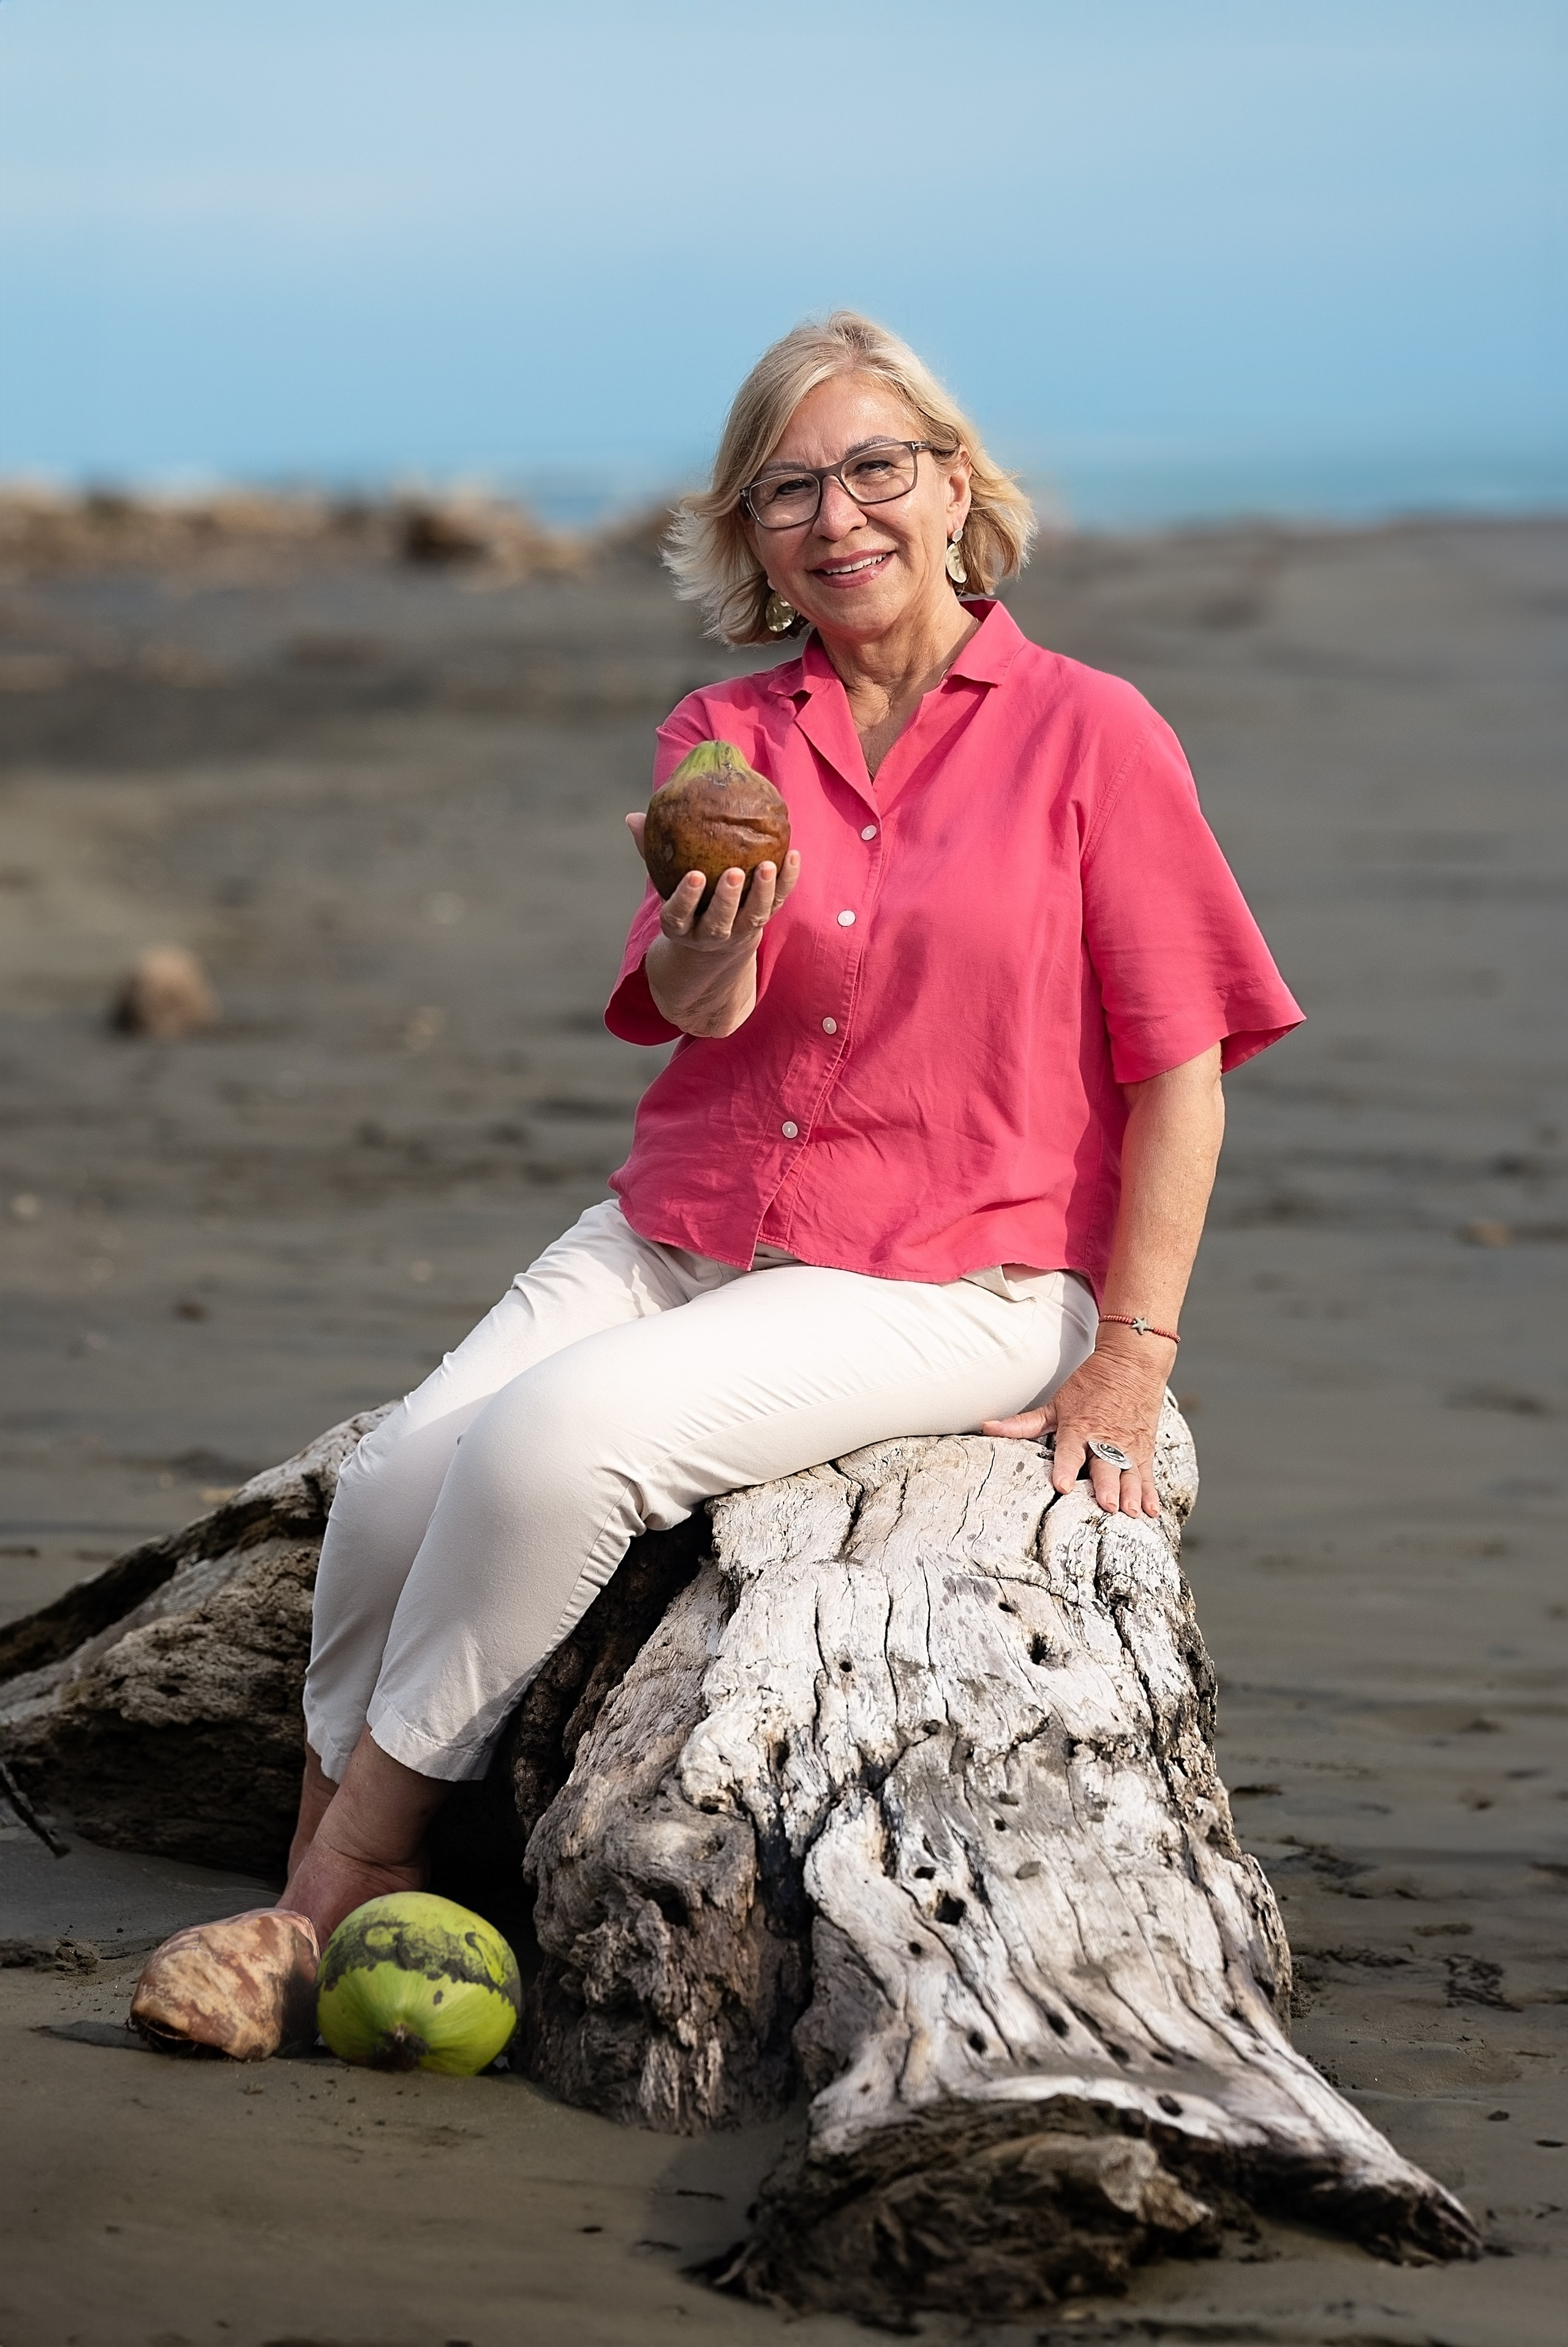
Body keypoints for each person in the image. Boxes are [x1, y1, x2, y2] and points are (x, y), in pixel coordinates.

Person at [156, 312, 1303, 2021]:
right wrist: (710, 942)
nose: (838, 518)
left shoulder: (1093, 734)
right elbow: (704, 1007)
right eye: (788, 492)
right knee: (401, 1480)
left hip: (959, 1268)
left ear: (955, 485)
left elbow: (1183, 1072)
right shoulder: (726, 730)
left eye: (874, 471)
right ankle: (333, 1855)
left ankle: (343, 1884)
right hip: (695, 1221)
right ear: (747, 533)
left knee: (558, 1447)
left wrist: (1132, 1361)